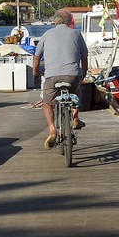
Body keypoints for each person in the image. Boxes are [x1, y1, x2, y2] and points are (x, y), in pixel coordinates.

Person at [34, 9, 88, 149]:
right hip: (72, 75)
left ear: (55, 21)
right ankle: (75, 118)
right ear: (70, 21)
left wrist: (35, 71)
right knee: (76, 91)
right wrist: (83, 73)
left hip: (52, 76)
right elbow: (84, 57)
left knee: (47, 102)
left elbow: (37, 56)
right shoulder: (76, 34)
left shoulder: (46, 34)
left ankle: (52, 129)